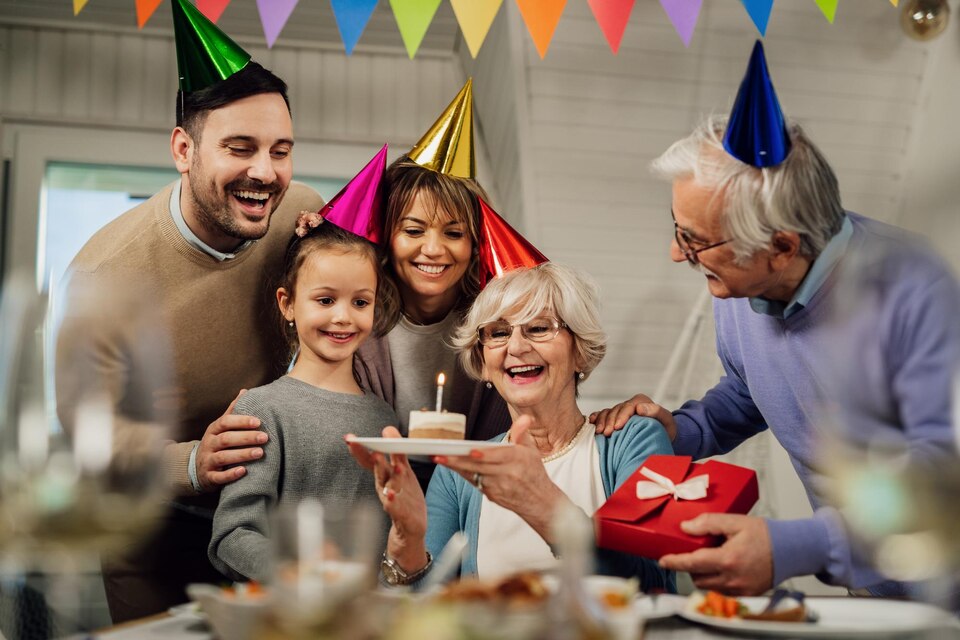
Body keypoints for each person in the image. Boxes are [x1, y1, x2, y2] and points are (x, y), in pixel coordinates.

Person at [590, 112, 960, 597]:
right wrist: (683, 429)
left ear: (781, 246)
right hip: (871, 588)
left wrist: (793, 546)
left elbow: (943, 478)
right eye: (679, 230)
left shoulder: (920, 291)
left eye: (694, 241)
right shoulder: (739, 289)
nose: (677, 255)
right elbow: (750, 390)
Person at [55, 0, 324, 621]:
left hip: (266, 515)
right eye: (240, 147)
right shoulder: (101, 278)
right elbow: (88, 436)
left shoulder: (300, 210)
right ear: (183, 149)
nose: (266, 172)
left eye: (280, 151)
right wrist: (193, 461)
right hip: (156, 527)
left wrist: (332, 247)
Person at [348, 263, 675, 590]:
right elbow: (420, 610)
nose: (516, 347)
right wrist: (408, 542)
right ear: (483, 363)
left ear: (581, 353)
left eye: (539, 328)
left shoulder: (636, 440)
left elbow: (656, 582)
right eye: (499, 333)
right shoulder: (457, 472)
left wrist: (545, 508)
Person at [208, 216, 400, 582]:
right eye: (325, 300)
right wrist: (300, 575)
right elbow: (233, 536)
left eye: (361, 302)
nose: (343, 317)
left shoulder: (384, 416)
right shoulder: (262, 409)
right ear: (288, 303)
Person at [354, 85, 512, 490]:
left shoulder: (497, 327)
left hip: (469, 494)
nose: (434, 249)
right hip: (378, 490)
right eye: (413, 229)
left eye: (454, 232)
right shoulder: (357, 321)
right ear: (387, 235)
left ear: (476, 242)